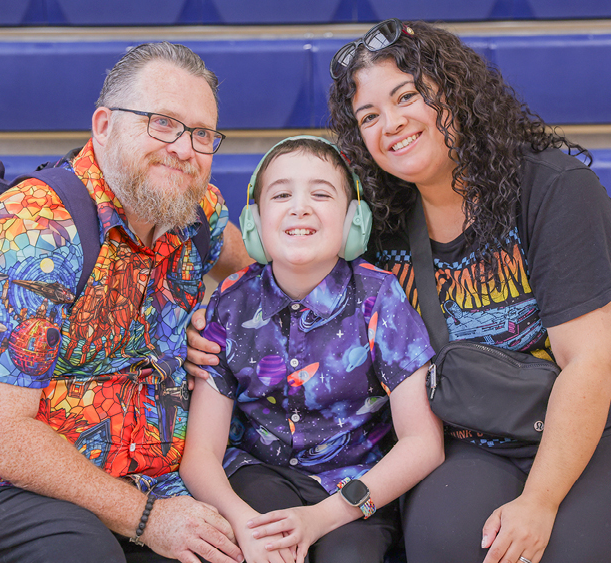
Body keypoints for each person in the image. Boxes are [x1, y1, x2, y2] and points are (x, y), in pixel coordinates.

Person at [188, 19, 611, 563]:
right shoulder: (382, 221)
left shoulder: (554, 190)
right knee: (443, 546)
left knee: (569, 553)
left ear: (456, 95)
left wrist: (538, 502)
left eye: (408, 96)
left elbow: (593, 362)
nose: (390, 123)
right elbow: (282, 255)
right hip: (486, 436)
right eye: (369, 116)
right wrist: (207, 312)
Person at [0, 42, 253, 563]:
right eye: (163, 123)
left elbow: (259, 269)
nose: (185, 148)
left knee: (248, 536)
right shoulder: (31, 231)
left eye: (202, 134)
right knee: (83, 551)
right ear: (104, 126)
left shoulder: (195, 212)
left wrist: (217, 320)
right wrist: (148, 519)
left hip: (136, 476)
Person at [179, 136, 444, 563]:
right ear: (255, 223)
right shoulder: (231, 304)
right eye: (282, 194)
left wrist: (321, 518)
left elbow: (423, 443)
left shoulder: (379, 299)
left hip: (356, 486)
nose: (299, 206)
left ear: (353, 221)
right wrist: (244, 525)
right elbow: (201, 455)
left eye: (321, 194)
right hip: (258, 475)